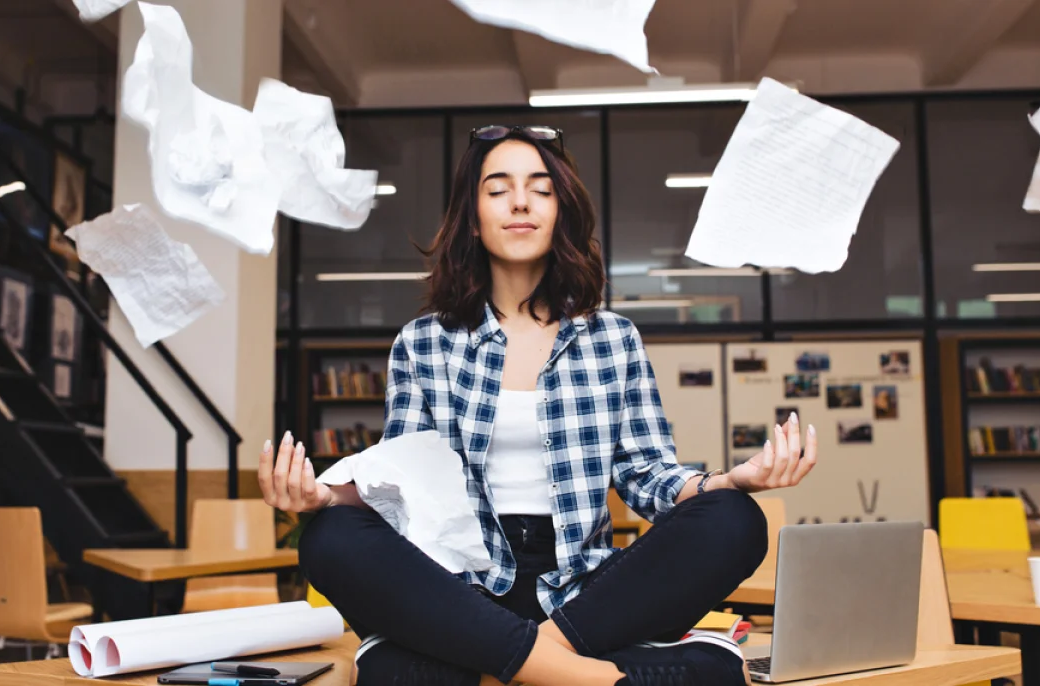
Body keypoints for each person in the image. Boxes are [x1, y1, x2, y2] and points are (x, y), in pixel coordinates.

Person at [259, 125, 818, 686]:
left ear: (561, 213)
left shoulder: (612, 338)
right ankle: (603, 679)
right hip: (462, 588)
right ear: (473, 219)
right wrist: (322, 497)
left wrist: (728, 482)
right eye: (498, 188)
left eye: (540, 189)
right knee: (329, 538)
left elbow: (647, 476)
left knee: (736, 520)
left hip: (585, 595)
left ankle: (514, 664)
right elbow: (403, 487)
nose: (520, 201)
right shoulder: (423, 342)